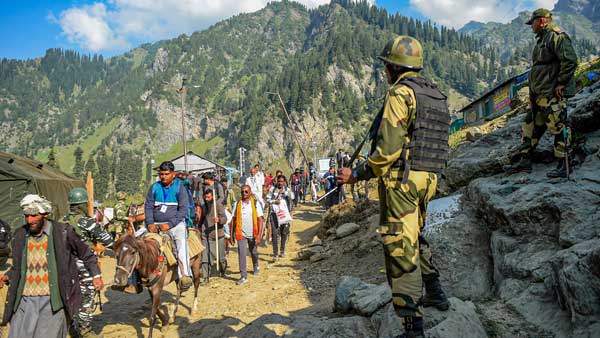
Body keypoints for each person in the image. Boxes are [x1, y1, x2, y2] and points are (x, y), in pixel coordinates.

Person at [337, 36, 451, 337]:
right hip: (429, 179)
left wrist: (357, 174)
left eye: (386, 65)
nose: (385, 71)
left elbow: (386, 153)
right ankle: (436, 292)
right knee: (415, 237)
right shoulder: (434, 93)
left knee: (401, 248)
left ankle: (413, 328)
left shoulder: (401, 94)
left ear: (392, 67)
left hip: (403, 182)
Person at [0, 194, 104, 338]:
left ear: (45, 214)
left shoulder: (63, 232)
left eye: (34, 215)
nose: (30, 220)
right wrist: (6, 276)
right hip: (25, 300)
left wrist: (96, 276)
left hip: (53, 300)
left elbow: (86, 253)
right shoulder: (20, 235)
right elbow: (19, 267)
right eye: (26, 216)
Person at [503, 8, 578, 178]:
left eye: (533, 22)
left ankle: (564, 164)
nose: (531, 26)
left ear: (542, 21)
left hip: (552, 93)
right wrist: (532, 96)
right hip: (539, 95)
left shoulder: (556, 36)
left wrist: (561, 83)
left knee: (558, 126)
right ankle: (524, 160)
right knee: (529, 125)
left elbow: (570, 60)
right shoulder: (542, 40)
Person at [63, 188, 114, 338]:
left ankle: (72, 326)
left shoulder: (61, 220)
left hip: (65, 265)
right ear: (82, 205)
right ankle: (85, 330)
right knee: (87, 296)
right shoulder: (86, 221)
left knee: (70, 296)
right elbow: (108, 241)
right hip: (84, 265)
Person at [144, 161, 193, 291]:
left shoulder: (179, 188)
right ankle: (133, 280)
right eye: (161, 174)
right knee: (136, 244)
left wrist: (170, 224)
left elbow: (183, 210)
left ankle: (185, 275)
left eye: (166, 174)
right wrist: (150, 223)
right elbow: (148, 206)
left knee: (181, 244)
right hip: (154, 224)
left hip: (175, 224)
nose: (163, 177)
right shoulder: (154, 187)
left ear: (173, 174)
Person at [229, 185, 264, 285]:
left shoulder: (255, 203)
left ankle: (255, 265)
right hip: (241, 234)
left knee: (253, 252)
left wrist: (259, 235)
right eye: (242, 192)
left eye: (246, 192)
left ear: (250, 193)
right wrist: (231, 235)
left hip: (253, 233)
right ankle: (243, 275)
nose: (244, 194)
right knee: (242, 254)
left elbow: (260, 220)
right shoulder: (237, 204)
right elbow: (233, 220)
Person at [200, 189, 228, 284]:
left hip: (217, 235)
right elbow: (202, 219)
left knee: (220, 258)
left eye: (209, 197)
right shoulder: (204, 207)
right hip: (205, 235)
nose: (207, 199)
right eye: (205, 197)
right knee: (205, 257)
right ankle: (205, 277)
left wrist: (219, 220)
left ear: (213, 197)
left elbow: (225, 218)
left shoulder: (218, 205)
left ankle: (223, 270)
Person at [266, 175, 294, 261]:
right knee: (275, 233)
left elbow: (292, 197)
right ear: (276, 181)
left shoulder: (287, 189)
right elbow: (267, 199)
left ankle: (282, 250)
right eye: (279, 181)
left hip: (284, 214)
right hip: (274, 214)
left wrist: (285, 193)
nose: (280, 183)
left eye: (282, 181)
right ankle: (275, 254)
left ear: (284, 182)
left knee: (284, 232)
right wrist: (274, 201)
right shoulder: (272, 189)